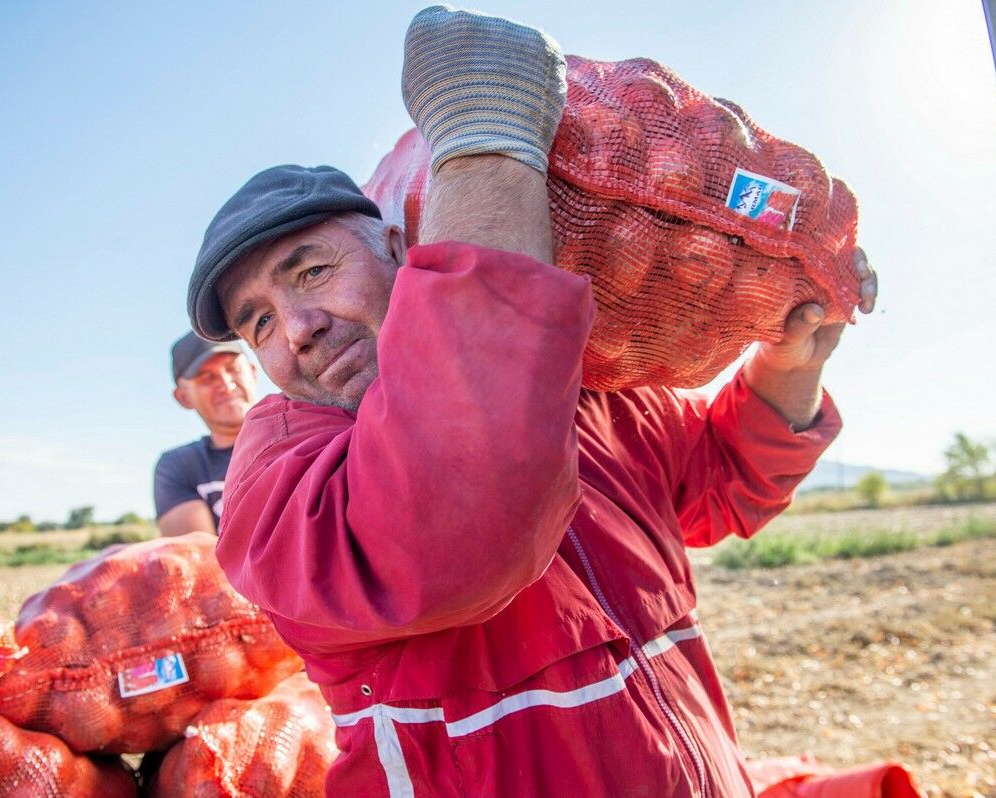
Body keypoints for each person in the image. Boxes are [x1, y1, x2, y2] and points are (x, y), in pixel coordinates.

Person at [186, 7, 878, 796]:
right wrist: (488, 148)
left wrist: (792, 365)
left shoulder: (589, 389)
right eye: (259, 323)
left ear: (399, 246)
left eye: (310, 273)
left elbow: (721, 487)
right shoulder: (279, 479)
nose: (298, 331)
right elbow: (461, 523)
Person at [153, 331, 262, 536]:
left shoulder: (308, 430)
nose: (226, 384)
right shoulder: (178, 466)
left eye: (233, 369)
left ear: (253, 371)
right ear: (183, 397)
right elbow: (197, 560)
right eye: (207, 378)